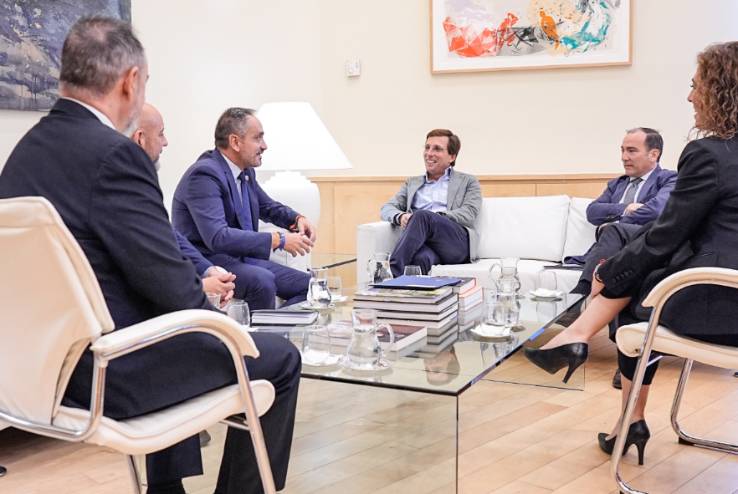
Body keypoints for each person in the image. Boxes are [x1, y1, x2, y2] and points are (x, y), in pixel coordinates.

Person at [0, 17, 300, 494]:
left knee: (178, 328)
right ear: (131, 82)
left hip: (38, 377)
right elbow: (173, 287)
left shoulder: (23, 156)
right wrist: (222, 326)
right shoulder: (116, 156)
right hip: (110, 376)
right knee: (277, 357)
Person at [524, 41, 738, 466]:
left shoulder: (710, 154)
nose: (690, 96)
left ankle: (624, 410)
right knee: (638, 274)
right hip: (723, 291)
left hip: (719, 302)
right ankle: (588, 354)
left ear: (720, 90)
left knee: (635, 294)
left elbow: (665, 236)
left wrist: (607, 273)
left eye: (696, 85)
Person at [172, 108, 315, 310]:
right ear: (235, 142)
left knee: (311, 286)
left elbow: (267, 206)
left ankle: (275, 327)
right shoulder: (204, 175)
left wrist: (297, 219)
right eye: (258, 138)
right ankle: (256, 331)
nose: (264, 146)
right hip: (211, 261)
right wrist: (279, 240)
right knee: (262, 281)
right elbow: (218, 237)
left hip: (242, 259)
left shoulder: (245, 172)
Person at [131, 102, 236, 305]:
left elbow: (169, 234)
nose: (166, 142)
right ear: (140, 139)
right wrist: (201, 287)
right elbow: (143, 266)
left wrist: (208, 270)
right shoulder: (126, 189)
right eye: (161, 134)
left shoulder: (138, 182)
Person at [570, 128, 677, 294]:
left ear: (653, 154)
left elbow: (656, 211)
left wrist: (616, 225)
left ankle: (582, 292)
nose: (624, 157)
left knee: (614, 230)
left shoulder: (668, 179)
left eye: (632, 151)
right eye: (623, 150)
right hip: (613, 249)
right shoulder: (617, 184)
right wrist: (625, 209)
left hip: (645, 244)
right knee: (614, 233)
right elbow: (593, 211)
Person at [380, 129, 482, 277]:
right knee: (421, 259)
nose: (429, 153)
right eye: (427, 147)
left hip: (455, 243)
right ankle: (408, 289)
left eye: (437, 149)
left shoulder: (468, 181)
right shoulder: (412, 183)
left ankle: (390, 274)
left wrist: (434, 218)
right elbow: (387, 208)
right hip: (423, 242)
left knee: (422, 216)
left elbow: (469, 213)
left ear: (452, 156)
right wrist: (400, 216)